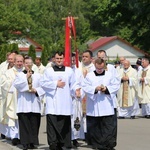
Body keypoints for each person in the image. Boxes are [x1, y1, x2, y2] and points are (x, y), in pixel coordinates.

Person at [40, 51, 81, 150]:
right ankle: (53, 143)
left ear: (63, 59)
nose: (59, 60)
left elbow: (74, 83)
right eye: (57, 58)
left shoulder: (69, 71)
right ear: (54, 59)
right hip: (53, 101)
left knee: (65, 124)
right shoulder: (48, 71)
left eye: (61, 58)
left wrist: (77, 90)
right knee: (52, 124)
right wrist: (55, 84)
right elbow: (43, 83)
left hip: (65, 101)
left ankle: (64, 143)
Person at [82, 58, 120, 150]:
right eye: (98, 68)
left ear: (104, 65)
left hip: (106, 105)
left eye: (101, 68)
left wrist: (106, 89)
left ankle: (108, 145)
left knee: (108, 127)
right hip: (94, 106)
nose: (99, 70)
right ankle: (97, 145)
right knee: (95, 127)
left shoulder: (109, 75)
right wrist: (95, 89)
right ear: (95, 65)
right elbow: (85, 87)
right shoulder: (89, 76)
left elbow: (116, 86)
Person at [13, 57, 45, 150]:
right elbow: (17, 85)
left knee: (34, 124)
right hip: (24, 103)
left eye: (30, 63)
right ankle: (25, 143)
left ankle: (33, 142)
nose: (28, 65)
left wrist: (36, 90)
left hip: (34, 103)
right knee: (24, 124)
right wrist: (26, 78)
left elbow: (43, 87)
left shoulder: (38, 76)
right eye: (26, 63)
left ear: (32, 64)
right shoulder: (19, 75)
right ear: (23, 64)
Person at [96, 50, 120, 147]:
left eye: (102, 57)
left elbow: (117, 82)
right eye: (99, 57)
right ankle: (101, 142)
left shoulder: (111, 68)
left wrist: (107, 89)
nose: (101, 59)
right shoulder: (95, 68)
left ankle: (110, 142)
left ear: (106, 57)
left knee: (111, 124)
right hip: (98, 100)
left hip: (109, 99)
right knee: (100, 124)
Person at [0, 55, 24, 145]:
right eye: (17, 61)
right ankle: (14, 136)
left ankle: (21, 136)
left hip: (23, 99)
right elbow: (3, 84)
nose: (19, 63)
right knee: (12, 117)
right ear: (14, 62)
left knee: (22, 117)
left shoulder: (25, 71)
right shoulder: (8, 72)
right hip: (12, 98)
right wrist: (13, 82)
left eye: (21, 61)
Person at [71, 53, 85, 147]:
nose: (72, 61)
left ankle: (75, 138)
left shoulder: (78, 71)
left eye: (73, 60)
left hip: (76, 99)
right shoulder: (64, 71)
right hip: (67, 99)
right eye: (70, 60)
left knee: (76, 118)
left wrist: (80, 93)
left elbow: (83, 84)